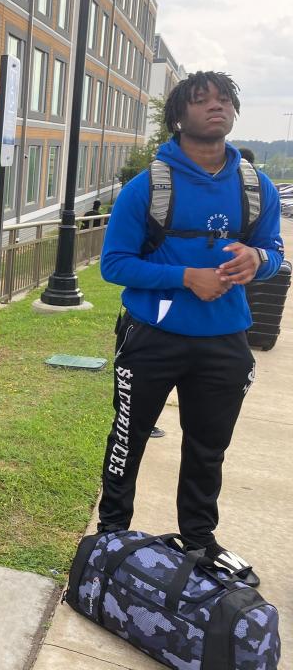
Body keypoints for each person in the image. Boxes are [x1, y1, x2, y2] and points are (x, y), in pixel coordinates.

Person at [97, 71, 283, 585]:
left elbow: (275, 253)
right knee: (128, 438)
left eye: (224, 99)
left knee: (208, 448)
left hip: (226, 341)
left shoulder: (255, 186)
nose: (216, 107)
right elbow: (113, 265)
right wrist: (185, 277)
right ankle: (111, 532)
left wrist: (257, 260)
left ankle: (198, 539)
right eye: (202, 100)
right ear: (180, 115)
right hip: (152, 338)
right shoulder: (149, 185)